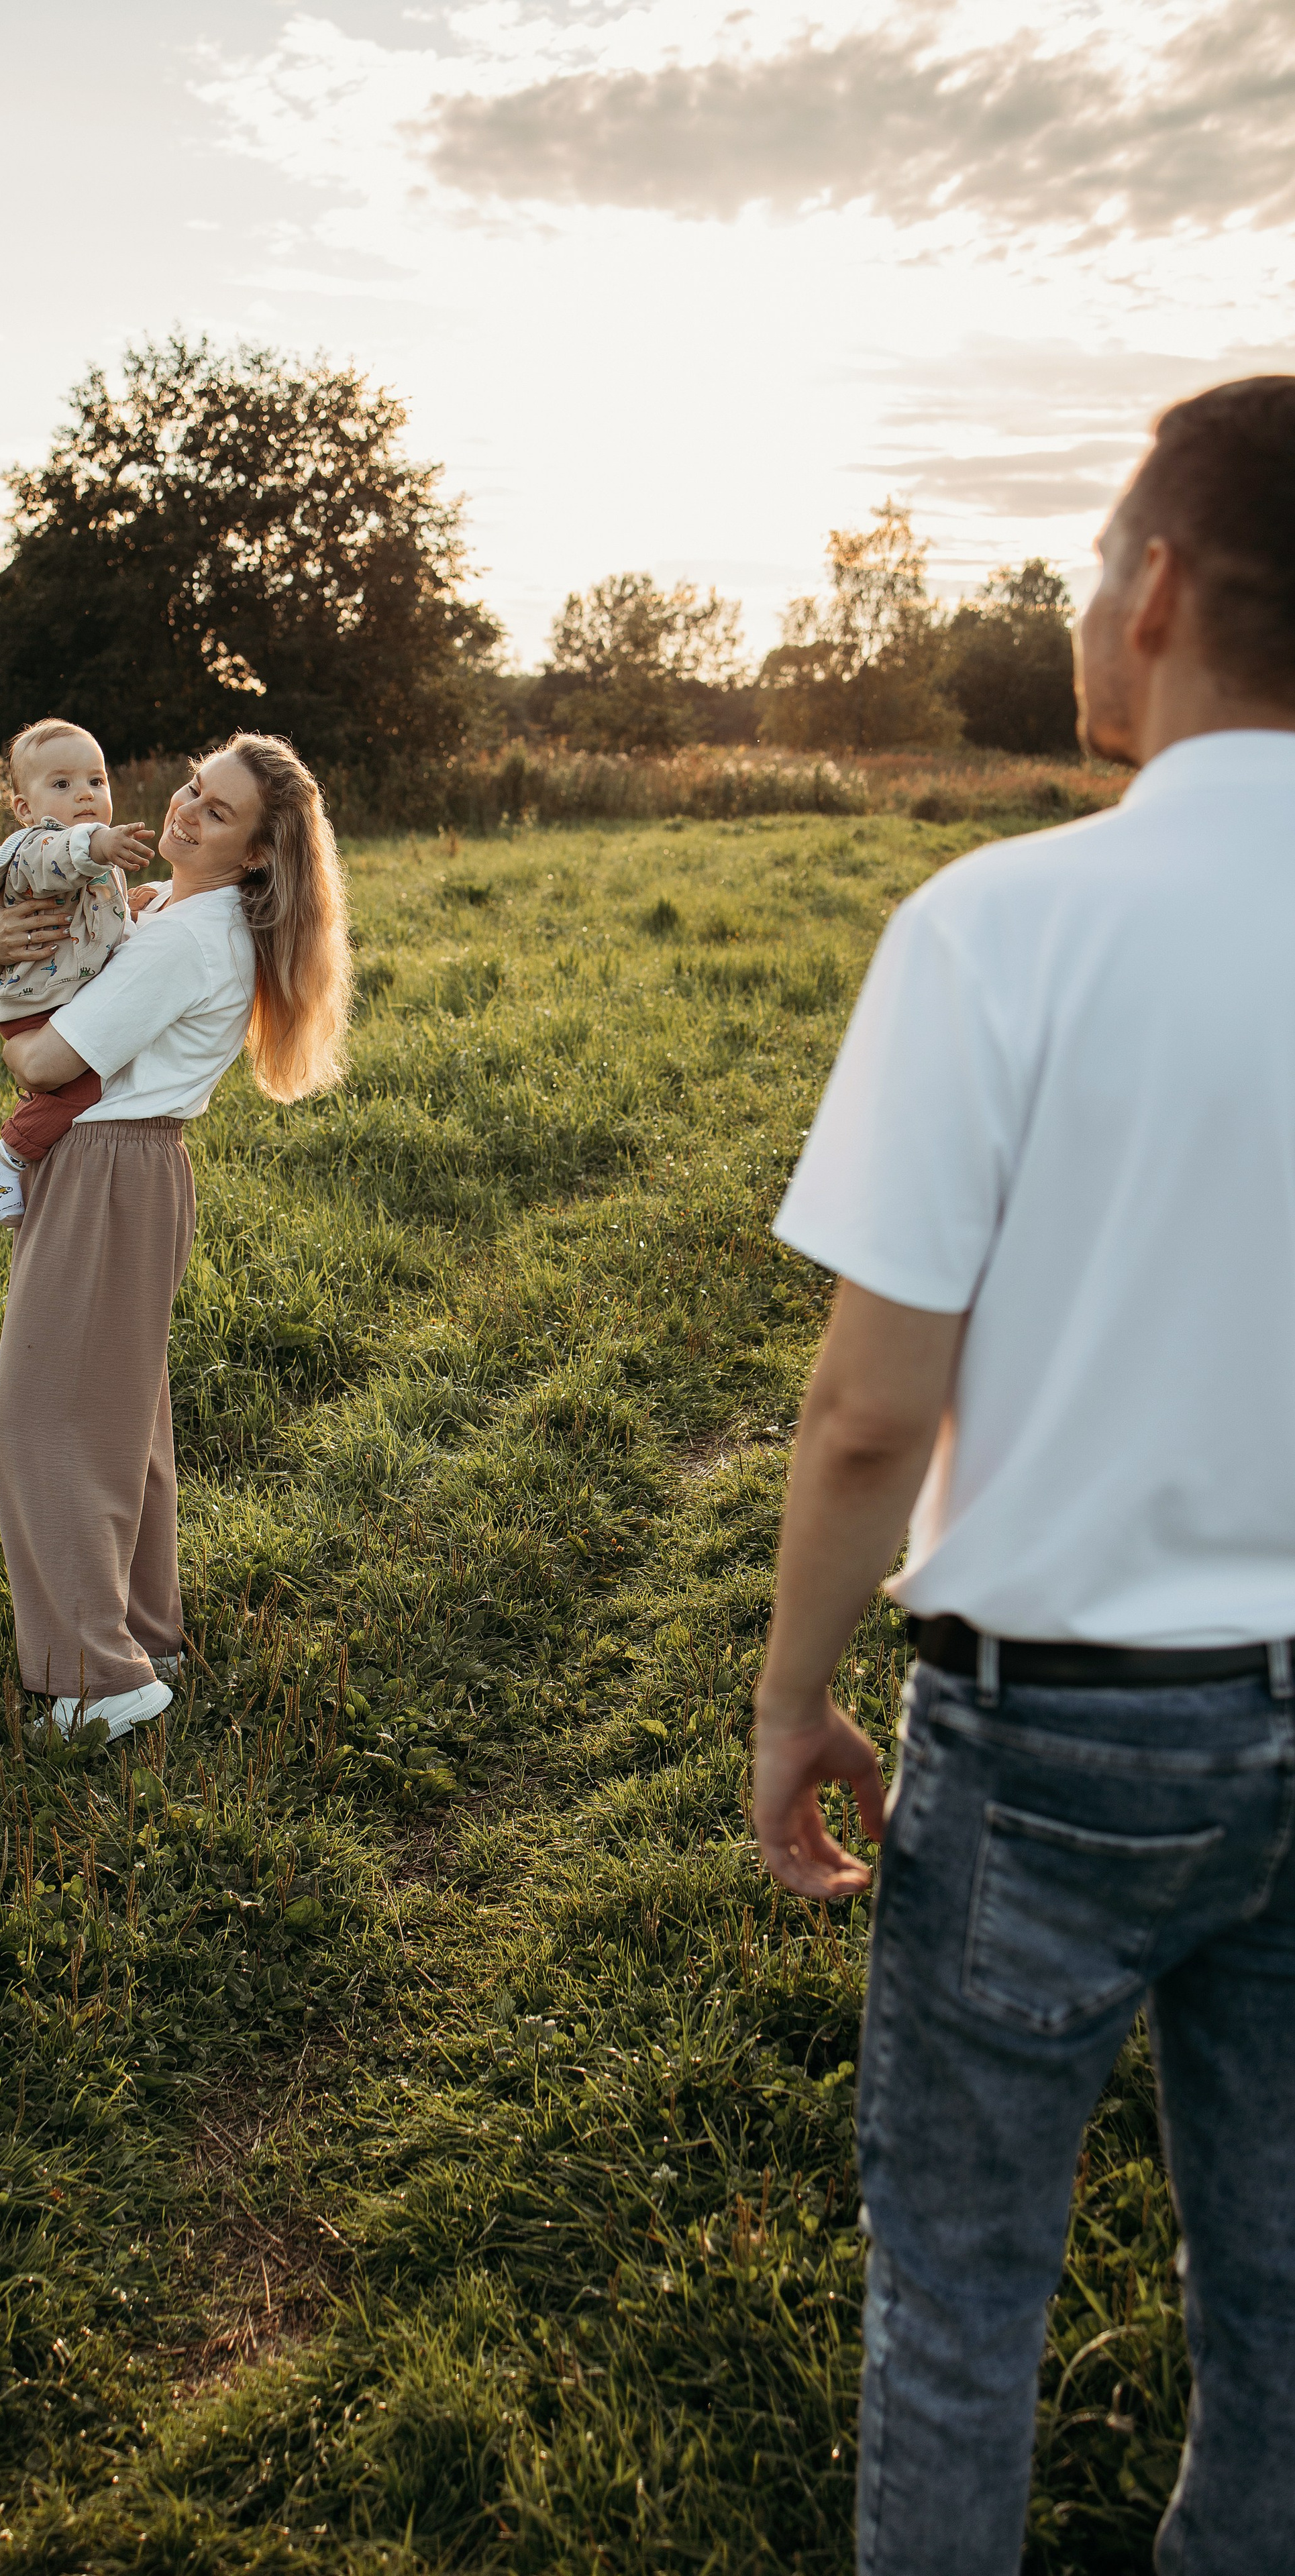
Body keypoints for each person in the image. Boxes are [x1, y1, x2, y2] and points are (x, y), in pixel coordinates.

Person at [752, 375, 1295, 2574]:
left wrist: (795, 1694)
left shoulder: (999, 925)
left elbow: (869, 1411)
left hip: (1058, 1726)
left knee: (963, 2309)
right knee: (1278, 2300)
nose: (1084, 600)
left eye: (1088, 559)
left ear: (1157, 590)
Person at [0, 731, 351, 1744]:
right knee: (116, 1417)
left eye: (217, 811)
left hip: (109, 1169)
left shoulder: (189, 936)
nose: (185, 811)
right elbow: (59, 942)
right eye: (193, 787)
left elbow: (48, 1063)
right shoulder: (166, 907)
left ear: (259, 855)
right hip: (126, 1167)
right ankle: (146, 1635)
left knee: (39, 1420)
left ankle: (100, 1684)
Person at [0, 718, 158, 1226]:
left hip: (57, 995)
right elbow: (61, 859)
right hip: (37, 1001)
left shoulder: (100, 862)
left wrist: (130, 907)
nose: (85, 795)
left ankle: (43, 1139)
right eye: (62, 784)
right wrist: (98, 843)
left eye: (96, 781)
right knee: (84, 1088)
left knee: (77, 1084)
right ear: (24, 809)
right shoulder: (35, 848)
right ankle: (7, 1156)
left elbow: (100, 920)